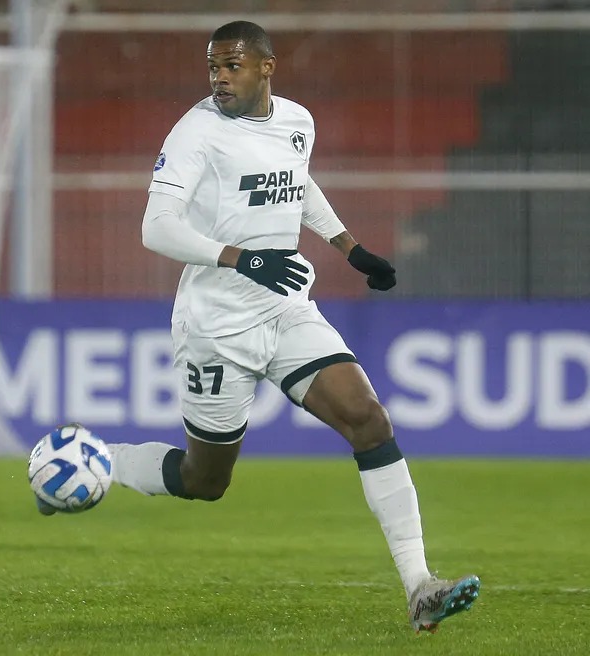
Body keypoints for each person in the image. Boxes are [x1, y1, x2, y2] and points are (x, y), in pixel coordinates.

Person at [35, 20, 480, 633]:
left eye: (232, 66)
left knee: (368, 419)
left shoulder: (297, 121)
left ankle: (419, 587)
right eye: (213, 66)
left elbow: (297, 183)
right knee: (205, 480)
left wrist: (350, 248)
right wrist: (242, 258)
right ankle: (100, 460)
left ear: (267, 67)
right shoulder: (195, 133)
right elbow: (155, 227)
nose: (219, 77)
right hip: (217, 325)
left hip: (284, 306)